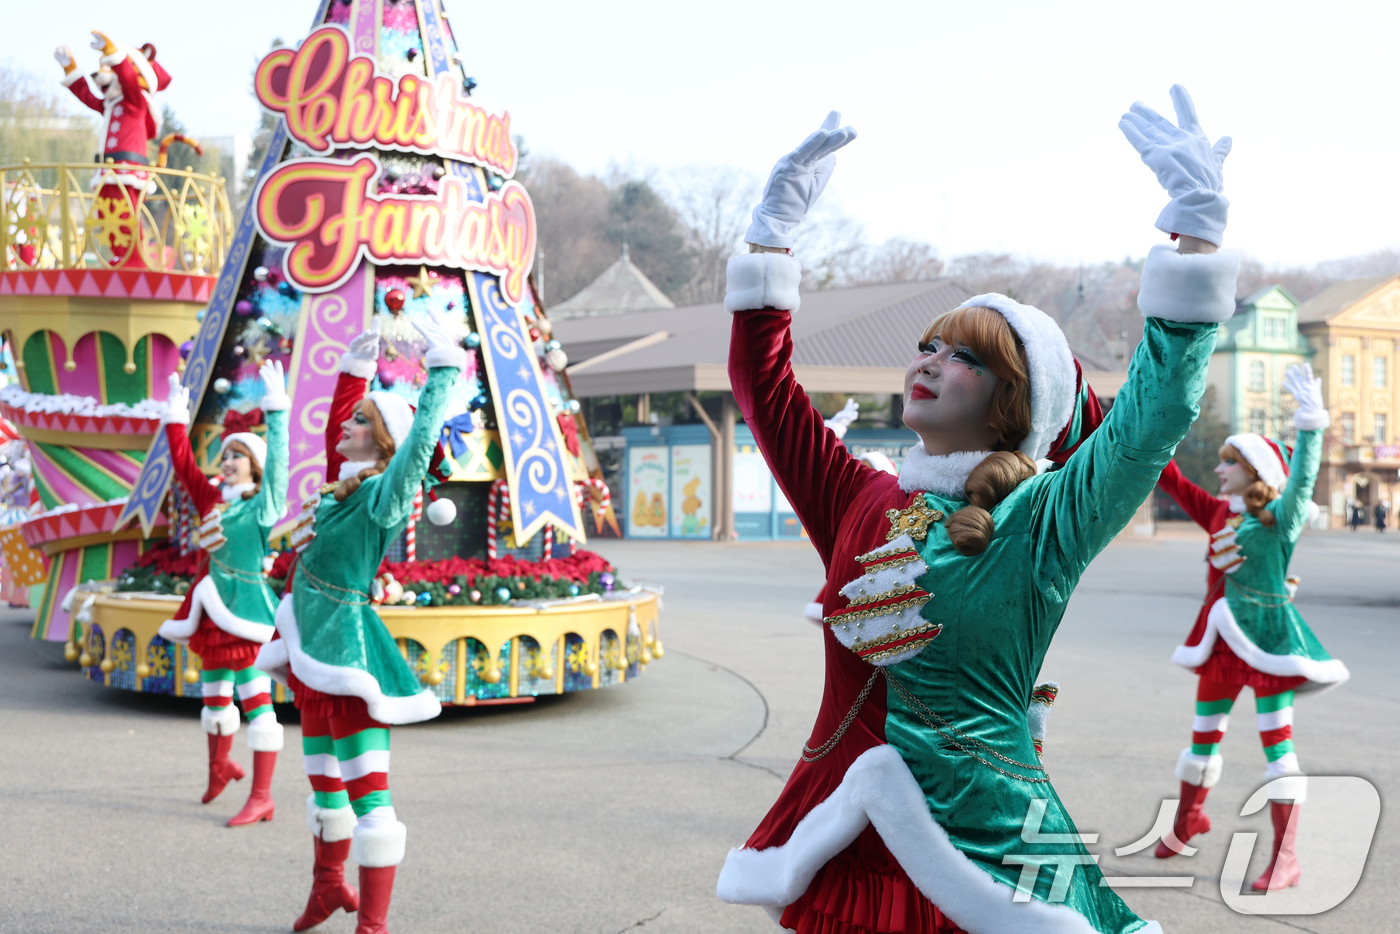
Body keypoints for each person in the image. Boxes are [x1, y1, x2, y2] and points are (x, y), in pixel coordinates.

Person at [716, 86, 1240, 933]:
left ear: (1013, 401)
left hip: (992, 856)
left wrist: (1196, 241)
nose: (927, 362)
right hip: (845, 847)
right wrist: (768, 244)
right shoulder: (858, 497)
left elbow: (1151, 421)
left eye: (962, 356)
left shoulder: (1044, 518)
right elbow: (765, 391)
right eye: (927, 345)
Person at [256, 313, 464, 934]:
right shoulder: (345, 487)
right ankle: (327, 887)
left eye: (357, 420)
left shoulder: (383, 496)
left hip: (346, 651)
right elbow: (330, 434)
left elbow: (419, 445)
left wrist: (442, 373)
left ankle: (372, 926)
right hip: (309, 646)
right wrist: (354, 371)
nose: (344, 427)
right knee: (323, 785)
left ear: (380, 439)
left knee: (369, 798)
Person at [1153, 373, 1347, 890]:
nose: (1217, 469)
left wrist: (1310, 425)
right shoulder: (1217, 511)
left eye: (1228, 462)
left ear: (1254, 471)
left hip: (1266, 648)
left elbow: (1303, 479)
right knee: (1201, 741)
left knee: (1278, 751)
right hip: (1219, 647)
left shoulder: (1279, 521)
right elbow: (1171, 480)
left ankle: (1287, 858)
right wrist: (1151, 427)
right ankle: (1188, 820)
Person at [157, 362, 289, 825]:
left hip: (248, 616)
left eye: (237, 456)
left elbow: (279, 469)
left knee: (257, 705)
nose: (227, 461)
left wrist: (277, 412)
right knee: (214, 702)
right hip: (210, 614)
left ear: (253, 464)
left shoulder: (262, 506)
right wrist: (176, 417)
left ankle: (262, 794)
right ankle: (219, 769)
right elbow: (184, 466)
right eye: (225, 455)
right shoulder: (214, 499)